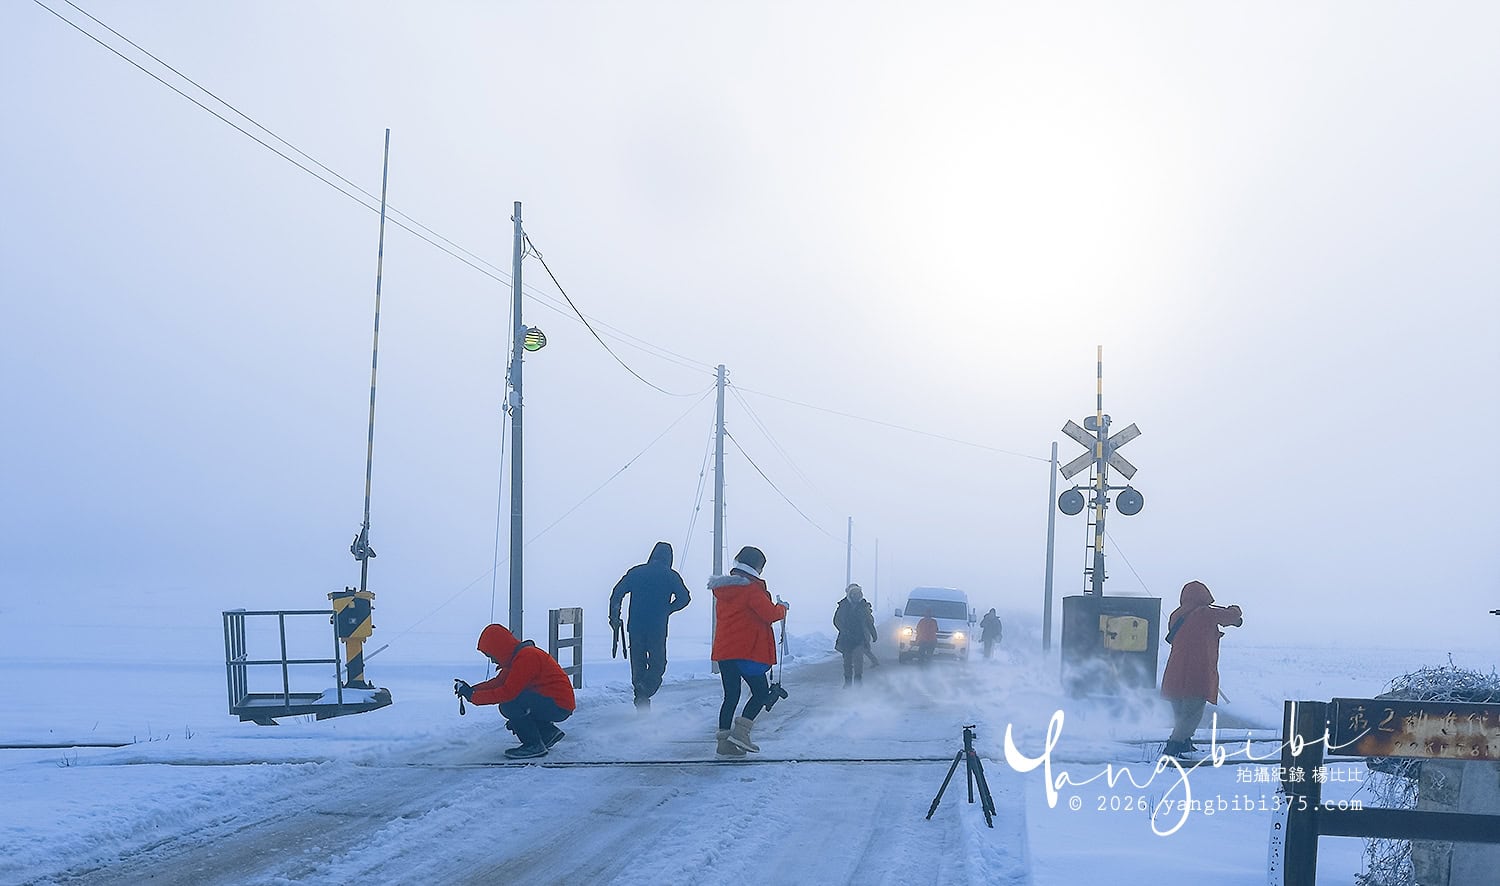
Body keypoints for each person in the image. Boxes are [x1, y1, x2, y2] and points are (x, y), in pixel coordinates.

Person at [709, 545, 788, 757]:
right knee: (761, 693)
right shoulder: (751, 589)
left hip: (725, 650)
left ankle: (724, 744)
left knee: (731, 696)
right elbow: (769, 614)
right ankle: (742, 733)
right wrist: (782, 608)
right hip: (747, 651)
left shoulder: (724, 590)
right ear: (757, 566)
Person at [454, 623, 577, 759]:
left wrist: (473, 697)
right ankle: (547, 733)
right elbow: (498, 682)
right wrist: (472, 690)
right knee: (517, 707)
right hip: (556, 703)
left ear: (499, 648)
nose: (493, 661)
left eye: (491, 655)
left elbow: (507, 692)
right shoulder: (519, 657)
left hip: (558, 705)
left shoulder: (527, 657)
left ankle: (533, 745)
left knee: (510, 705)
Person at [1160, 580, 1244, 759]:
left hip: (1175, 672)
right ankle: (1174, 746)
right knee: (1192, 712)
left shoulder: (1176, 615)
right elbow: (1230, 617)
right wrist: (1235, 609)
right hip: (1196, 672)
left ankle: (1184, 742)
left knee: (1181, 712)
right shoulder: (1205, 613)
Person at [609, 541, 692, 710]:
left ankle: (641, 699)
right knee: (658, 664)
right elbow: (685, 598)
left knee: (638, 663)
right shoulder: (670, 575)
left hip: (635, 627)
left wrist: (614, 617)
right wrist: (668, 609)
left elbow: (617, 593)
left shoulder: (636, 572)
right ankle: (645, 690)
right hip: (657, 627)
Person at [833, 583, 878, 687]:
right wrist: (843, 630)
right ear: (850, 594)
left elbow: (869, 622)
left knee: (858, 660)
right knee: (847, 662)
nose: (857, 596)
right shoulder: (843, 605)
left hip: (859, 638)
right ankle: (847, 682)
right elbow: (836, 620)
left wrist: (873, 634)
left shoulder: (863, 606)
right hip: (846, 639)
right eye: (855, 594)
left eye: (859, 594)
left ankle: (858, 680)